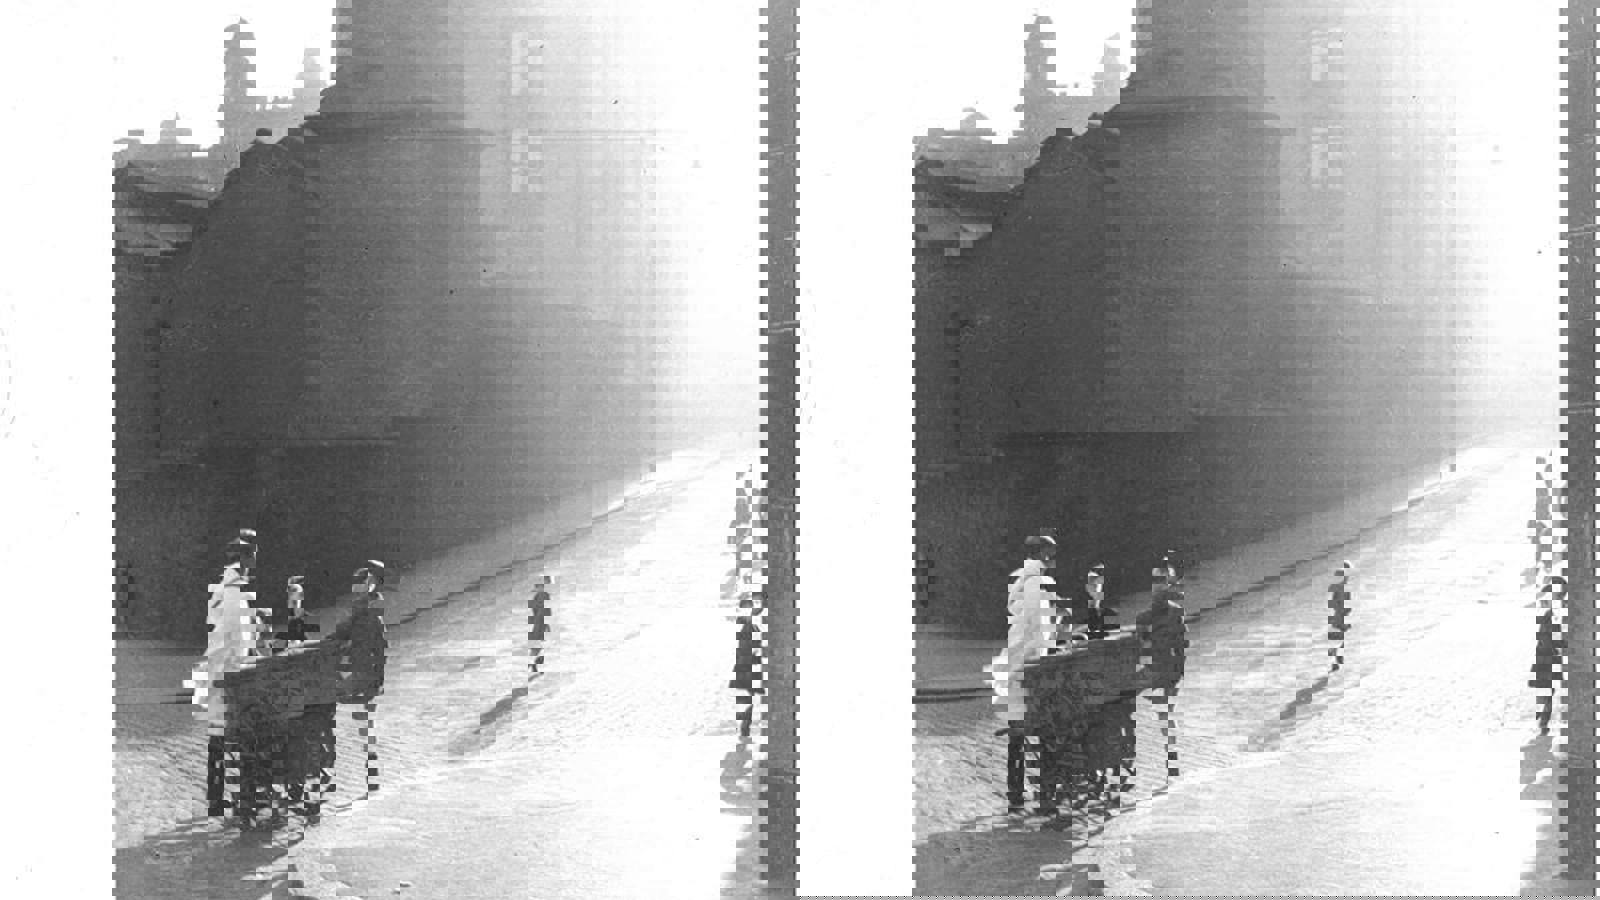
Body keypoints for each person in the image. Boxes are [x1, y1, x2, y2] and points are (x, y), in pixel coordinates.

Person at [185, 529, 267, 818]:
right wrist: (247, 661)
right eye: (252, 557)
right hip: (228, 672)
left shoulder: (227, 587)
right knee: (228, 735)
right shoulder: (233, 591)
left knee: (218, 736)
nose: (254, 562)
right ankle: (226, 799)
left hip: (221, 669)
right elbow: (234, 636)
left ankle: (216, 799)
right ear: (244, 560)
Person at [990, 533, 1065, 815]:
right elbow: (1036, 623)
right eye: (1049, 553)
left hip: (1017, 658)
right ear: (1043, 554)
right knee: (1044, 728)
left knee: (1018, 733)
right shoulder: (1036, 581)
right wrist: (1049, 650)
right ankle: (1045, 797)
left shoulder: (1021, 578)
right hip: (1031, 662)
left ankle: (1016, 795)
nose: (1051, 558)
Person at [1135, 553, 1187, 784]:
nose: (1159, 586)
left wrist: (1177, 670)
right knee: (1164, 714)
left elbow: (1181, 644)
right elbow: (1140, 645)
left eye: (1163, 582)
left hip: (1165, 669)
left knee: (1166, 713)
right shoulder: (1145, 616)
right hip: (1154, 668)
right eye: (1156, 582)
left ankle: (1172, 758)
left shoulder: (1174, 612)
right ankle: (1171, 758)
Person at [1531, 575, 1567, 736]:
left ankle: (1542, 724)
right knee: (1544, 690)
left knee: (1545, 690)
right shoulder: (1555, 610)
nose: (1549, 595)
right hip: (1546, 656)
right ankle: (1542, 724)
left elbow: (1559, 638)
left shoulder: (1559, 612)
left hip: (1549, 657)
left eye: (1551, 592)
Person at [1327, 561, 1352, 670]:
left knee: (1339, 641)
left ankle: (1336, 662)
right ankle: (1336, 662)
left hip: (1336, 620)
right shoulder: (1338, 590)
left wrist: (1347, 570)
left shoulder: (1336, 588)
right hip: (1337, 621)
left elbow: (1345, 580)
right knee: (1339, 642)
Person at [529, 575, 552, 676]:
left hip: (538, 624)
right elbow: (545, 611)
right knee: (538, 646)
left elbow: (537, 612)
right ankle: (533, 665)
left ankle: (535, 665)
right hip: (539, 624)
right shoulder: (543, 596)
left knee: (538, 646)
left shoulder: (537, 598)